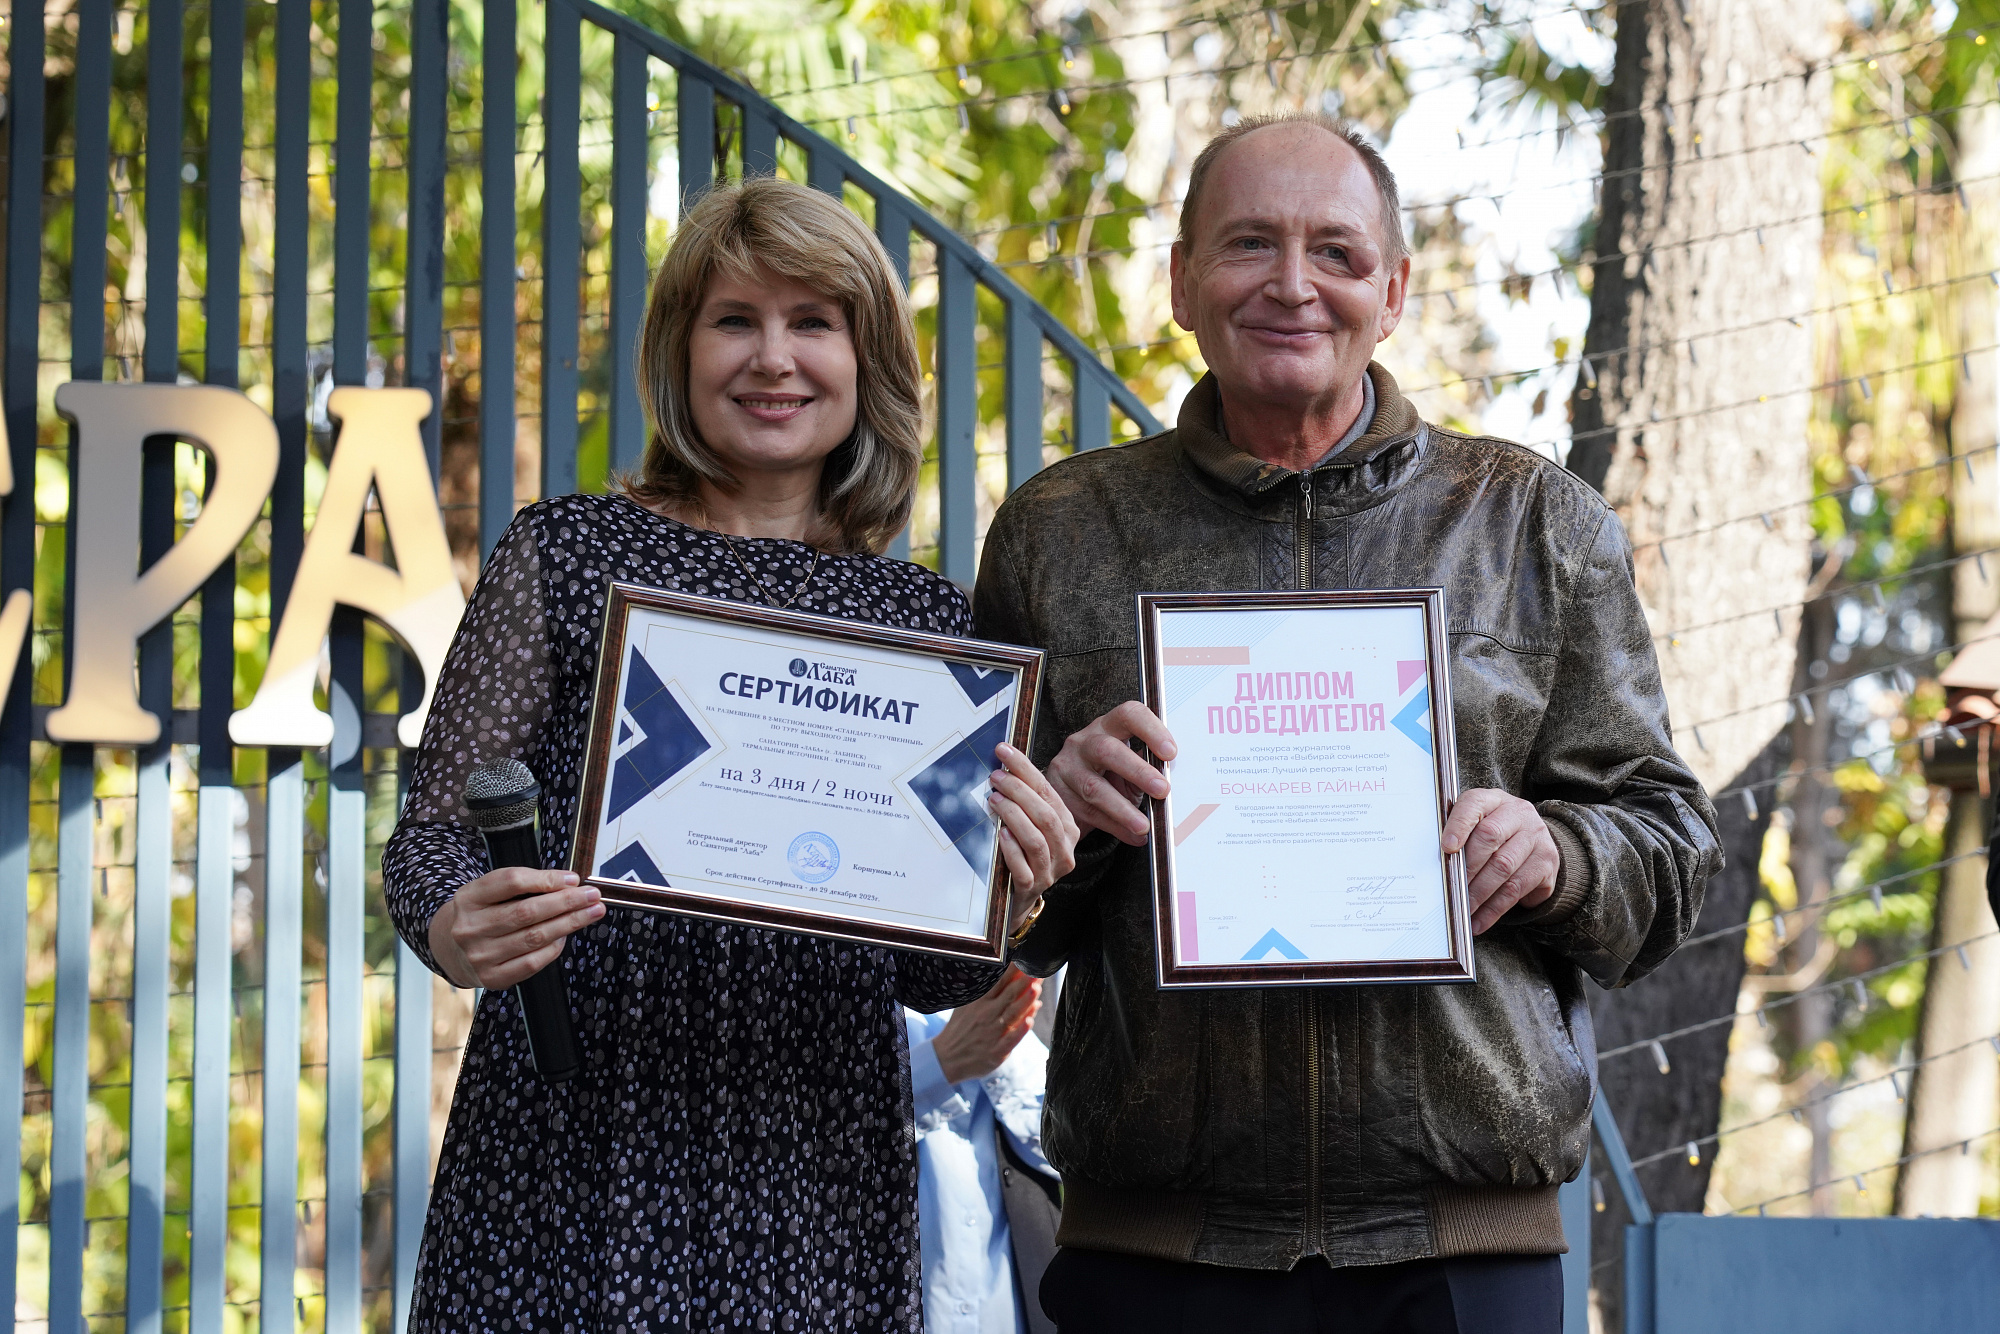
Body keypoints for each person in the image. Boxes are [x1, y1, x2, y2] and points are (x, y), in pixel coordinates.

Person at [974, 113, 1722, 1332]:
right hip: (1153, 1243)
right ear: (1179, 282)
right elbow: (984, 917)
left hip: (1461, 1244)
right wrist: (1056, 808)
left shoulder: (1534, 522)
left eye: (1333, 250)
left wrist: (1559, 852)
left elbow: (1670, 853)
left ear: (1391, 290)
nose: (1290, 284)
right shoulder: (1061, 532)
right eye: (1246, 245)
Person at [382, 175, 1078, 1332]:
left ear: (866, 364)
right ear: (677, 348)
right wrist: (454, 923)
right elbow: (435, 833)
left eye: (813, 323)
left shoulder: (927, 626)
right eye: (734, 320)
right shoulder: (570, 552)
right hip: (574, 1140)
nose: (772, 359)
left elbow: (932, 972)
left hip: (813, 1165)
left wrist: (1005, 894)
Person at [905, 968, 1064, 1334]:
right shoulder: (840, 952)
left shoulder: (1053, 970)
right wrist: (941, 1065)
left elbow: (1081, 1156)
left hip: (1018, 1309)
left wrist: (1005, 1043)